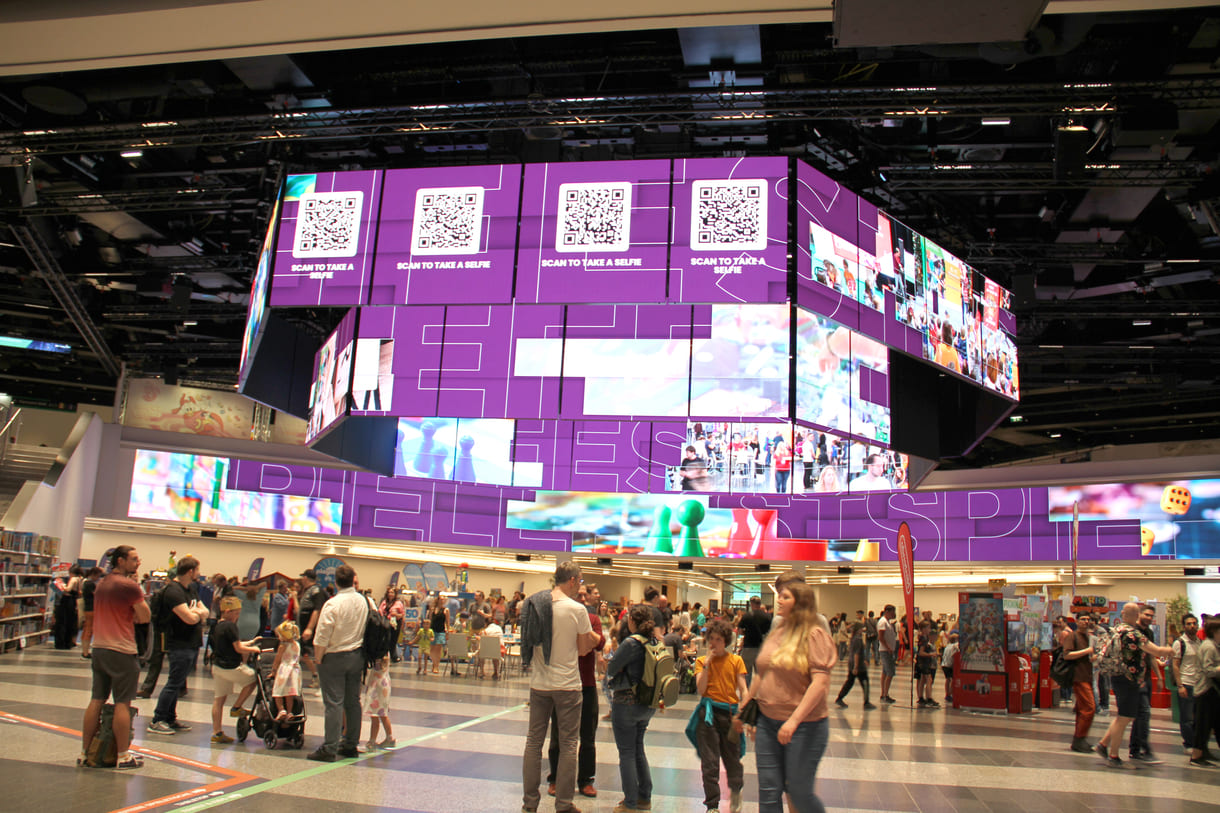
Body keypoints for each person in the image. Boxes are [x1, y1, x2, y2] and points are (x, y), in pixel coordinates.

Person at [734, 581, 836, 813]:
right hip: (768, 723)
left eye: (785, 597)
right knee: (768, 792)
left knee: (799, 793)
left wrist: (793, 721)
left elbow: (820, 682)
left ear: (800, 604)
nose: (778, 600)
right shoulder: (777, 631)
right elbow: (761, 671)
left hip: (805, 726)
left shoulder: (814, 635)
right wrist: (746, 705)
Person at [522, 562, 597, 813]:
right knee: (568, 745)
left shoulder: (534, 605)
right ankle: (563, 804)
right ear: (573, 580)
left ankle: (529, 804)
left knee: (534, 743)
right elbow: (586, 648)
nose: (581, 586)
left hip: (539, 685)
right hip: (568, 686)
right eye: (582, 581)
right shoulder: (577, 610)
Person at [79, 546, 150, 769]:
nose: (138, 562)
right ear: (121, 561)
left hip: (99, 648)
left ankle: (85, 752)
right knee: (122, 703)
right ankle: (122, 755)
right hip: (121, 649)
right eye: (134, 559)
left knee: (96, 699)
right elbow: (145, 616)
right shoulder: (129, 586)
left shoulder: (102, 584)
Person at [1095, 602, 1174, 769]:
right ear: (1136, 615)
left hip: (1118, 676)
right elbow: (1156, 651)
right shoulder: (1133, 634)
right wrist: (1170, 649)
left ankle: (1103, 745)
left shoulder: (1117, 630)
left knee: (1124, 716)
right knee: (1124, 718)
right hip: (1129, 679)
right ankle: (1113, 756)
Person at [545, 581, 605, 799]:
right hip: (563, 683)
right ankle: (555, 779)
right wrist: (585, 639)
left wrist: (585, 636)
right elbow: (582, 645)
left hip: (587, 685)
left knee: (587, 737)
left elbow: (597, 643)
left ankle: (586, 780)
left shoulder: (593, 619)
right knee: (558, 736)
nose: (581, 600)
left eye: (583, 596)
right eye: (577, 596)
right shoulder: (561, 617)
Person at [308, 564, 372, 762]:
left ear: (335, 582)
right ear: (353, 580)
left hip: (334, 656)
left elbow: (323, 634)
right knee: (353, 701)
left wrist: (318, 658)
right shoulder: (364, 601)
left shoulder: (333, 604)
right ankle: (351, 744)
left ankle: (330, 747)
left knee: (334, 702)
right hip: (357, 656)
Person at [606, 604, 661, 813]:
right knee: (638, 748)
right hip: (647, 703)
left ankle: (629, 803)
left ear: (631, 621)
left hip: (627, 702)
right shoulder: (653, 640)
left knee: (626, 753)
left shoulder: (631, 642)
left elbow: (611, 668)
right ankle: (644, 797)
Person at [690, 618, 747, 813]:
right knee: (710, 762)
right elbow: (701, 688)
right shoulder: (700, 662)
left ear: (726, 641)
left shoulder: (735, 661)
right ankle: (712, 804)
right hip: (708, 714)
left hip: (730, 713)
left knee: (733, 759)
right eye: (711, 638)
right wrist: (706, 665)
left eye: (718, 639)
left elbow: (743, 689)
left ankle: (736, 791)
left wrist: (744, 715)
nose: (714, 643)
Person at [148, 555, 207, 736]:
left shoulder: (190, 589)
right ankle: (158, 719)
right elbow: (189, 618)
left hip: (190, 642)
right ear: (190, 571)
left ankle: (170, 717)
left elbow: (205, 610)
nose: (198, 573)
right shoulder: (173, 591)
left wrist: (196, 612)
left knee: (179, 681)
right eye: (197, 570)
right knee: (174, 682)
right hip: (178, 642)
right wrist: (196, 613)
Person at [208, 596, 259, 744]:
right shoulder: (231, 626)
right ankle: (237, 706)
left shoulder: (218, 625)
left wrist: (249, 642)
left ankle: (217, 732)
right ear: (228, 611)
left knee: (218, 700)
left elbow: (231, 643)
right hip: (231, 667)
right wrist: (254, 649)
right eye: (236, 613)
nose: (238, 616)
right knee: (252, 680)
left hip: (217, 667)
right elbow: (238, 648)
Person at [1128, 604, 1160, 763]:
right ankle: (1142, 748)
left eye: (1151, 616)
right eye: (1146, 614)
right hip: (1136, 679)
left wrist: (1159, 677)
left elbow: (1152, 656)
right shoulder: (1134, 632)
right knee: (1143, 713)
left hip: (1146, 678)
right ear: (1139, 614)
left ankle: (1137, 748)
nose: (1149, 618)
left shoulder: (1148, 633)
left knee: (1141, 714)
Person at [1062, 611, 1096, 752]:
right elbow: (1067, 655)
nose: (1086, 622)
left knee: (1082, 709)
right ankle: (1079, 738)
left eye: (1088, 619)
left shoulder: (1089, 637)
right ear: (1077, 621)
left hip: (1087, 676)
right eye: (1083, 619)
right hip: (1078, 677)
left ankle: (1079, 740)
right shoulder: (1073, 636)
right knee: (1089, 708)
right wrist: (1087, 651)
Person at [1188, 619, 1220, 767]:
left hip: (1212, 691)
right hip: (1206, 690)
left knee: (1214, 723)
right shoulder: (1209, 647)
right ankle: (1196, 755)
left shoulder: (1214, 646)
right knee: (1203, 724)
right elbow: (1208, 670)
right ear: (1215, 632)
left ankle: (1202, 752)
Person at [1173, 613, 1202, 754]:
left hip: (1199, 684)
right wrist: (1180, 686)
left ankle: (1197, 744)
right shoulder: (1179, 643)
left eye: (1194, 623)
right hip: (1186, 683)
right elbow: (1175, 665)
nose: (1192, 626)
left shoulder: (1200, 642)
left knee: (1198, 717)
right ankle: (1188, 744)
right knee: (1186, 717)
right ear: (1184, 626)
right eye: (1189, 624)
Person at [834, 622, 874, 710]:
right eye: (861, 629)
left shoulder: (853, 638)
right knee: (865, 682)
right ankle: (866, 702)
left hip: (853, 663)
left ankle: (840, 698)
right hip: (858, 665)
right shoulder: (858, 639)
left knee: (850, 682)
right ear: (858, 629)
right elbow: (856, 653)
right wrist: (856, 667)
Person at [296, 569, 324, 693]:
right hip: (302, 628)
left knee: (310, 654)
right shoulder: (307, 592)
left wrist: (309, 628)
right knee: (304, 653)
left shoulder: (316, 591)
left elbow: (317, 610)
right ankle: (315, 675)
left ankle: (318, 677)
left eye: (303, 577)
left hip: (310, 630)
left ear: (306, 578)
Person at [271, 619, 302, 722]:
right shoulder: (297, 645)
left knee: (278, 691)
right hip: (294, 671)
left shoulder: (282, 646)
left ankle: (281, 710)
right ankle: (290, 712)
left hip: (284, 670)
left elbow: (277, 660)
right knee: (289, 694)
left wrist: (273, 671)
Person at [363, 653, 395, 750]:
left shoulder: (377, 656)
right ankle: (389, 737)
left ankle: (372, 741)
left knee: (374, 714)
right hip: (385, 684)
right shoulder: (387, 653)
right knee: (383, 713)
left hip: (376, 685)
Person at [738, 596, 772, 685]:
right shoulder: (767, 616)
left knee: (746, 672)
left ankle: (746, 694)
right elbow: (771, 632)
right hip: (762, 648)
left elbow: (740, 631)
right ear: (760, 604)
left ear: (751, 604)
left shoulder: (746, 616)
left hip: (748, 647)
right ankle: (758, 694)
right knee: (760, 673)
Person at [54, 565, 84, 649]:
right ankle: (69, 642)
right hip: (73, 601)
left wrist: (61, 585)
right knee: (70, 622)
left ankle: (61, 643)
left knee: (62, 621)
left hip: (67, 601)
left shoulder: (73, 579)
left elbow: (68, 589)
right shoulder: (80, 579)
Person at [79, 567, 104, 658]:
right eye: (98, 576)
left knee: (87, 629)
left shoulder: (85, 582)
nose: (98, 578)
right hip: (92, 609)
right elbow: (97, 595)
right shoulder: (90, 584)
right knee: (89, 630)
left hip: (87, 608)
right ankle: (85, 652)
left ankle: (85, 651)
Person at [915, 621, 940, 708]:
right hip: (924, 662)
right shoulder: (924, 639)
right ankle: (929, 697)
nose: (929, 630)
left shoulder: (923, 637)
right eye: (928, 628)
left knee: (922, 679)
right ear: (924, 629)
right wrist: (931, 654)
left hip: (921, 662)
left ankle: (921, 697)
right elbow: (921, 652)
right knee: (928, 680)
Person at [876, 604, 898, 703]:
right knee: (890, 672)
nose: (894, 614)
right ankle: (885, 694)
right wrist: (888, 647)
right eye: (893, 612)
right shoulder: (882, 622)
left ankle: (884, 693)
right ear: (888, 612)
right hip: (885, 651)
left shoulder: (887, 622)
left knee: (885, 672)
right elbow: (880, 637)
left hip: (888, 650)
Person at [379, 586, 406, 663]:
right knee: (386, 639)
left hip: (395, 623)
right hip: (385, 623)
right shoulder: (384, 602)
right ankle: (384, 655)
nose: (390, 594)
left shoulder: (399, 603)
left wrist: (396, 614)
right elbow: (380, 611)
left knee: (393, 640)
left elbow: (402, 614)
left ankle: (393, 656)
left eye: (392, 592)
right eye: (389, 592)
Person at [427, 595, 449, 675]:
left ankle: (436, 666)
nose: (442, 601)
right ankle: (433, 663)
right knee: (432, 649)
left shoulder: (446, 610)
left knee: (438, 648)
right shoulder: (432, 609)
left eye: (444, 600)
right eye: (441, 599)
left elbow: (447, 622)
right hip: (432, 631)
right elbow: (429, 620)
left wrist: (447, 632)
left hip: (441, 631)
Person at [941, 632, 959, 703]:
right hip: (950, 665)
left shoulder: (947, 646)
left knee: (947, 679)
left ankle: (947, 694)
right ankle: (950, 693)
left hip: (944, 664)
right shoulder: (955, 645)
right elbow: (955, 655)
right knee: (952, 679)